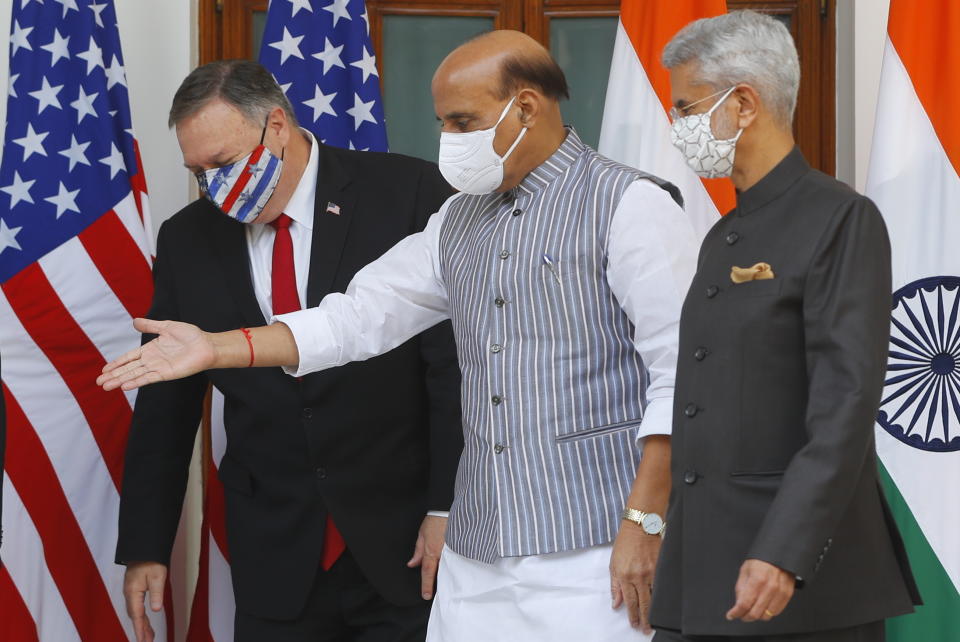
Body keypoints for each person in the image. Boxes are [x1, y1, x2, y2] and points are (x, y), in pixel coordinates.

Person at [99, 31, 699, 640]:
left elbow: (685, 378)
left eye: (463, 121)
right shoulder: (457, 218)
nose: (449, 141)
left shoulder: (631, 204)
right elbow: (357, 317)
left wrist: (647, 521)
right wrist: (218, 347)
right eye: (443, 122)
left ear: (526, 107)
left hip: (592, 546)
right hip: (477, 553)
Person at [114, 60, 463, 642]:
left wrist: (447, 507)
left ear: (276, 125)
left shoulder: (409, 193)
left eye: (223, 165)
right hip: (274, 551)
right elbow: (165, 406)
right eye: (197, 173)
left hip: (405, 542)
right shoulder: (187, 238)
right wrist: (146, 546)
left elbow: (451, 368)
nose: (214, 187)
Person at [649, 11, 921, 641]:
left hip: (793, 579)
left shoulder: (840, 219)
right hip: (704, 570)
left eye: (687, 108)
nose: (679, 128)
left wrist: (784, 552)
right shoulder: (723, 236)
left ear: (742, 103)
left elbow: (844, 406)